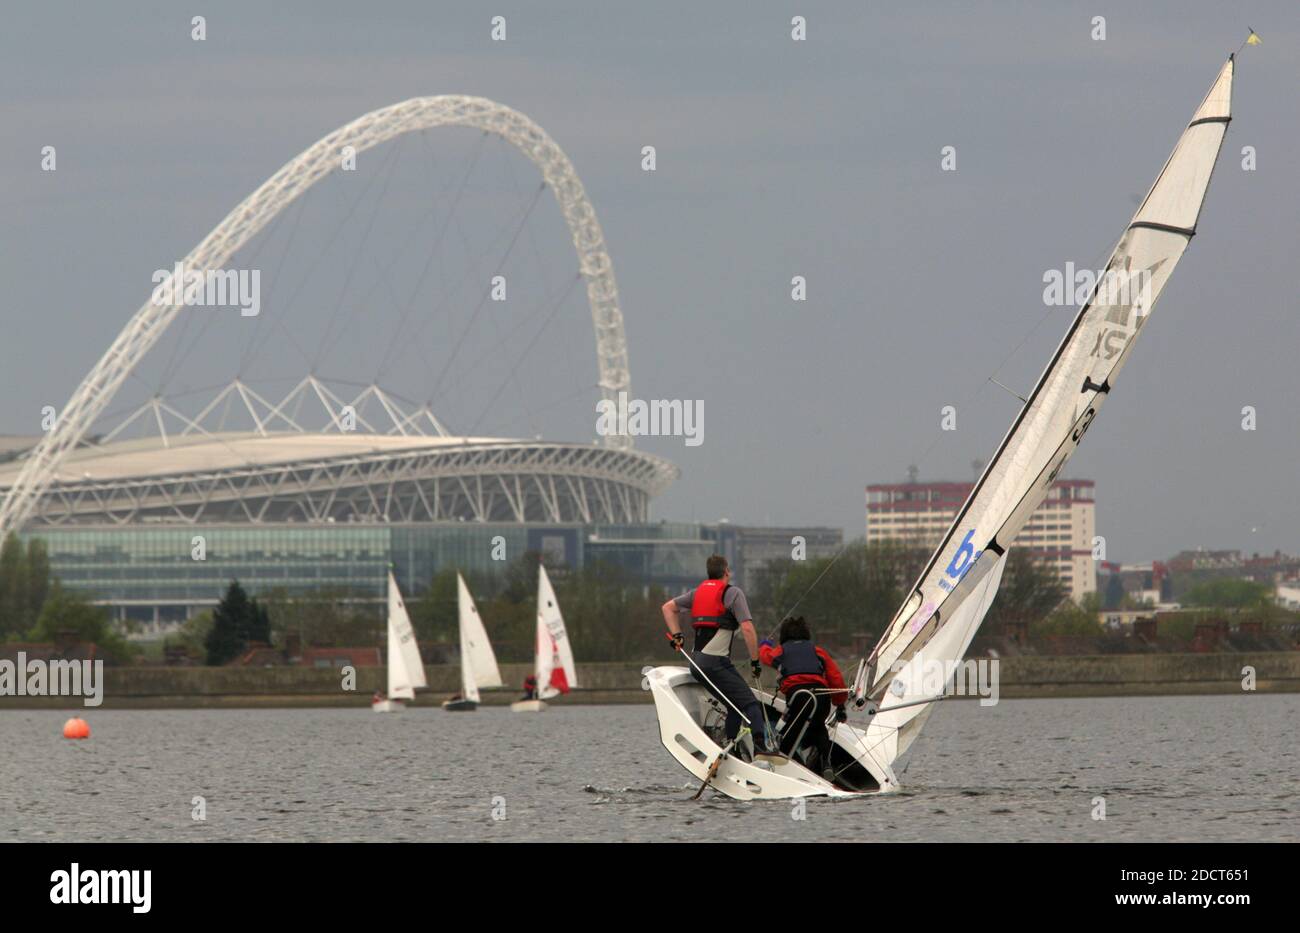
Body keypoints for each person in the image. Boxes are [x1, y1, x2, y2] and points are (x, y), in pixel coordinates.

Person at [660, 554, 777, 760]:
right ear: (727, 572)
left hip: (696, 666)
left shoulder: (697, 593)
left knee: (733, 705)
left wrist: (678, 636)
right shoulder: (733, 593)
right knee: (751, 704)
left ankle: (732, 752)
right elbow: (748, 628)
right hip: (716, 665)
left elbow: (667, 608)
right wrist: (755, 661)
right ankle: (761, 749)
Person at [758, 616, 848, 778]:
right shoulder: (818, 651)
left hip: (797, 696)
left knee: (792, 728)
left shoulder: (782, 650)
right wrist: (840, 705)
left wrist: (764, 645)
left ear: (784, 635)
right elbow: (836, 679)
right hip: (821, 697)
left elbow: (765, 657)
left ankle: (785, 766)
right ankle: (826, 764)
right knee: (818, 726)